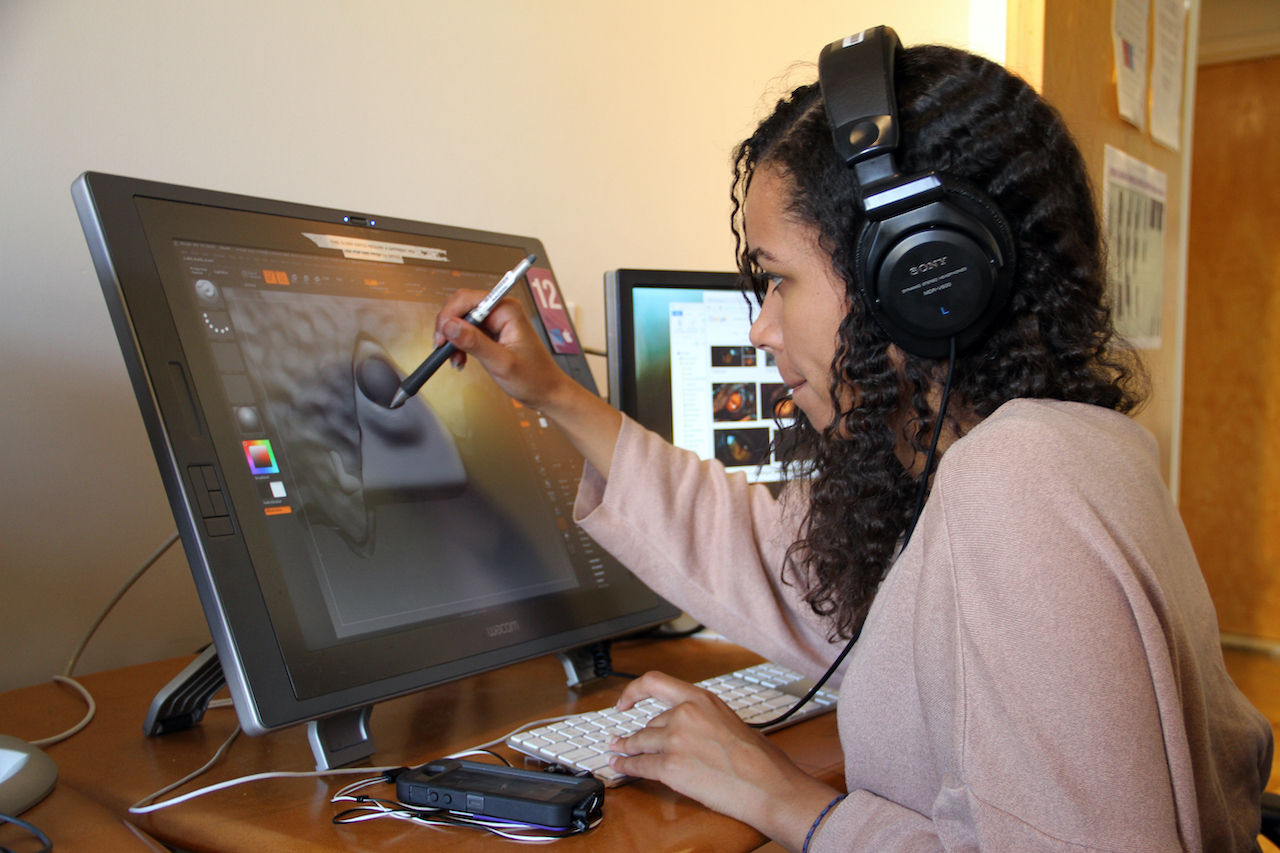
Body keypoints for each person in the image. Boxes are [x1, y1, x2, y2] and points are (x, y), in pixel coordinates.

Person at [430, 32, 1273, 853]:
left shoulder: (1019, 485)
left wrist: (782, 797)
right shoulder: (1018, 451)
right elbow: (782, 567)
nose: (762, 328)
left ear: (912, 274)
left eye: (780, 279)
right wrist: (553, 394)